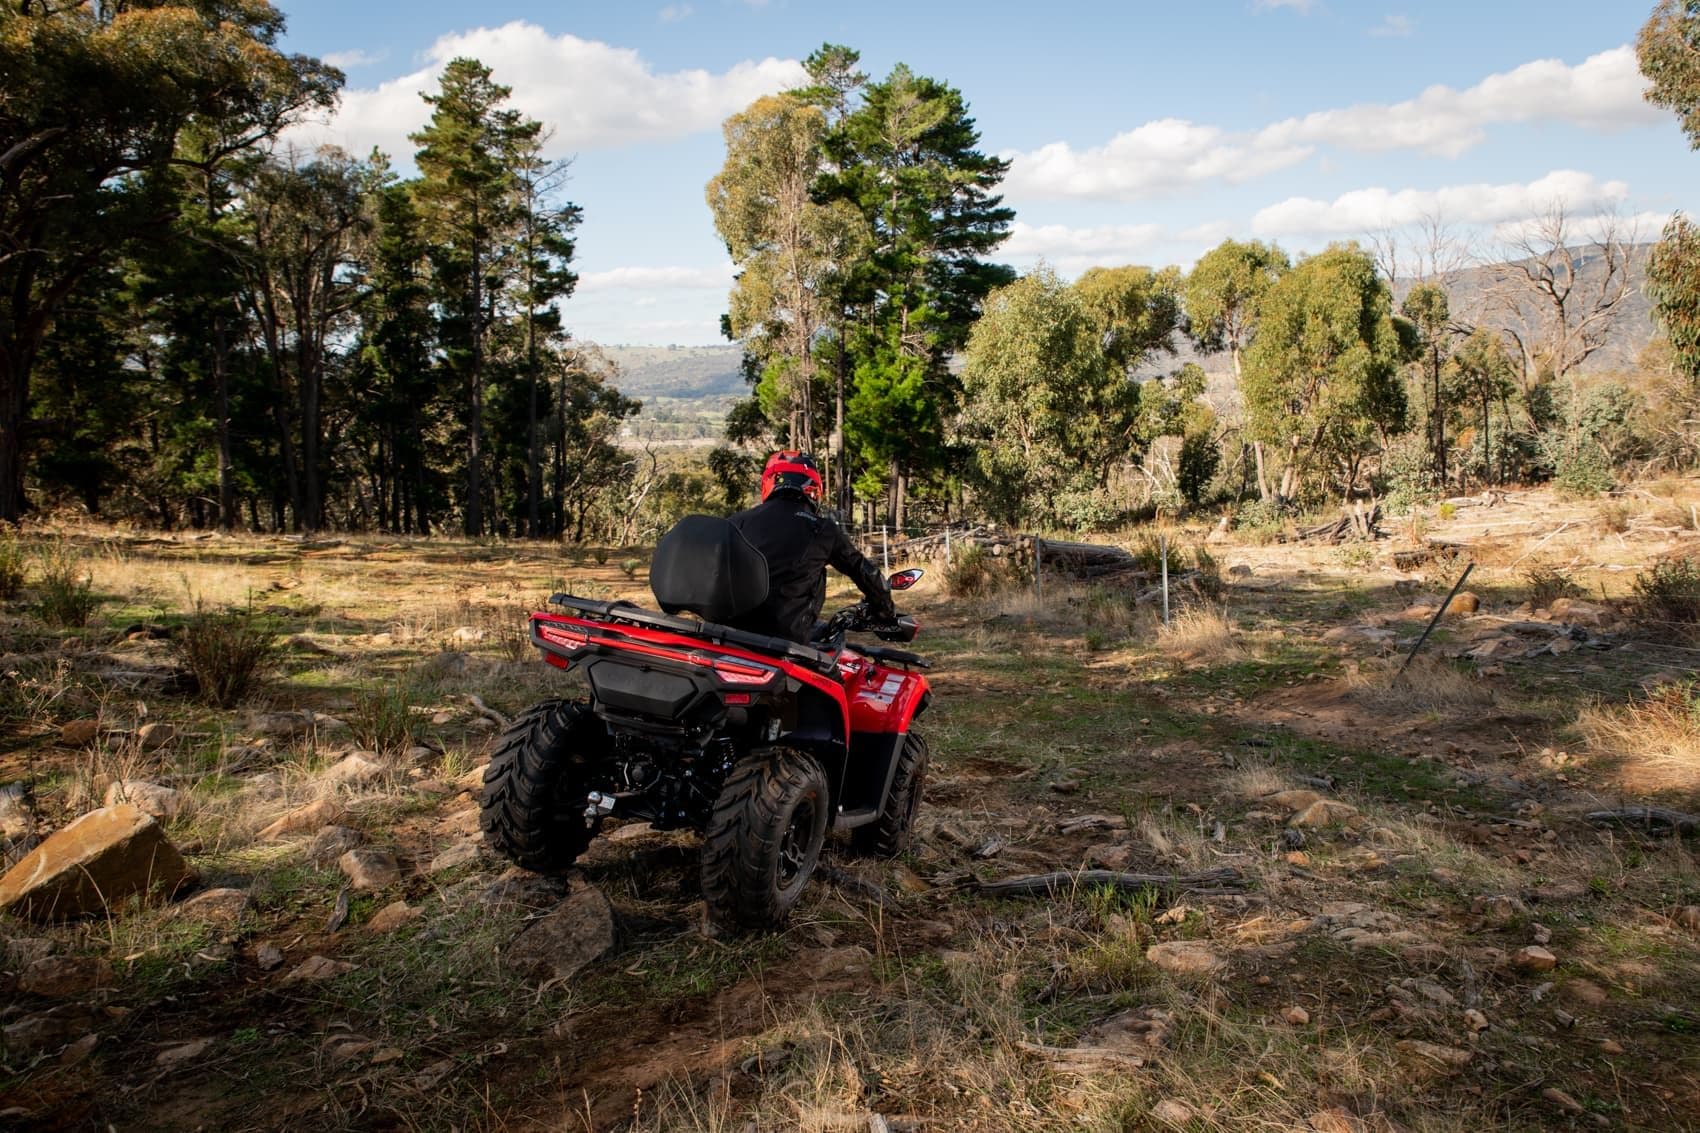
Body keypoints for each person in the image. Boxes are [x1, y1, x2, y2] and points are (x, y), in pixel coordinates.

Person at [727, 451, 896, 644]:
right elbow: (863, 571)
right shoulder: (822, 529)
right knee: (837, 647)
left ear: (769, 483)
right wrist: (886, 612)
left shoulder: (735, 522)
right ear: (814, 489)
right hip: (786, 638)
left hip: (729, 634)